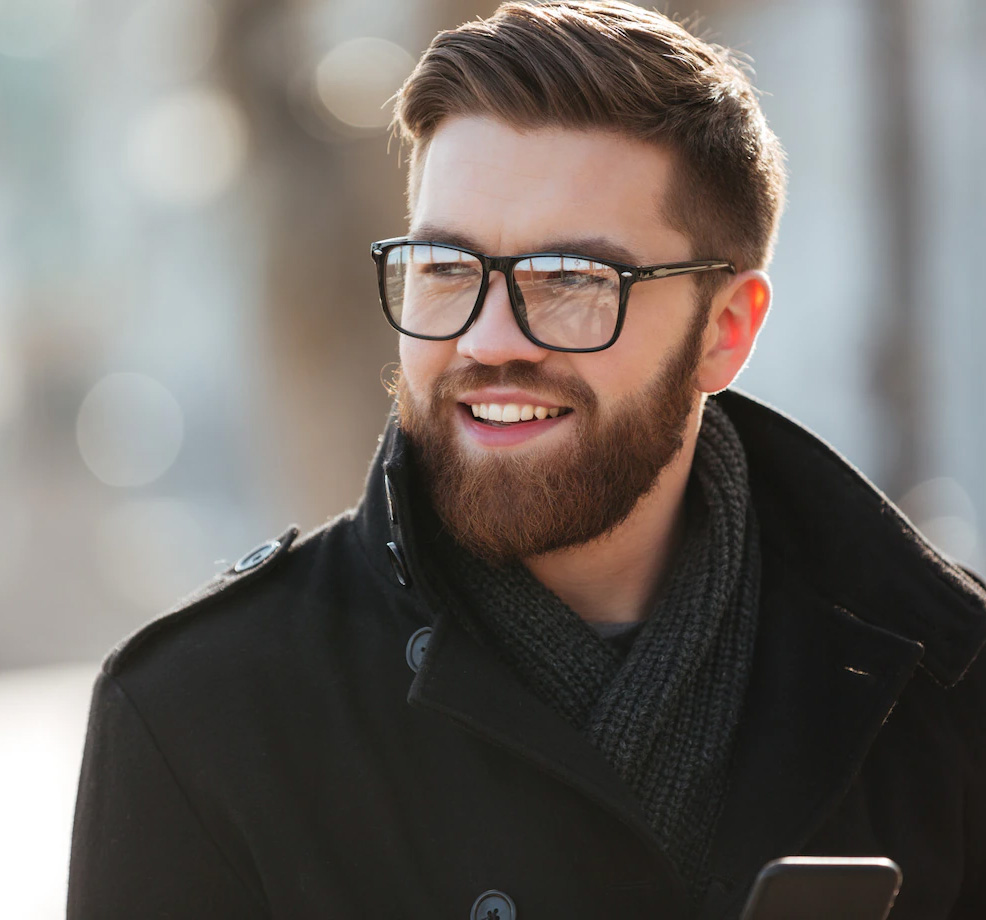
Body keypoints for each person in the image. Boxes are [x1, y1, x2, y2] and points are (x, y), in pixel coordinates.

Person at [68, 2, 986, 918]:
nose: (490, 338)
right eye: (446, 268)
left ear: (726, 331)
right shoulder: (201, 718)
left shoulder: (950, 693)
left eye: (573, 280)